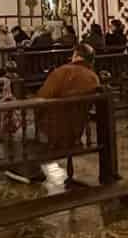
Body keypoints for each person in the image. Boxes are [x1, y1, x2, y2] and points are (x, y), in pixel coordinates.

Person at [6, 43, 100, 184]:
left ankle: (27, 170)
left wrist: (35, 118)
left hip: (52, 130)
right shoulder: (94, 78)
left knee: (16, 133)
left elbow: (41, 100)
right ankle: (34, 166)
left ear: (75, 55)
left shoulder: (63, 72)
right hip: (76, 133)